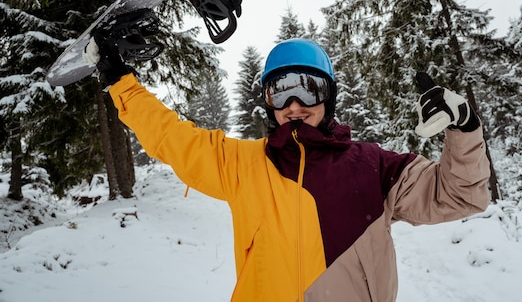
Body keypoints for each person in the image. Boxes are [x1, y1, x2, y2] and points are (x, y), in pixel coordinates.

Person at [85, 36, 490, 302]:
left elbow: (460, 195)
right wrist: (122, 82)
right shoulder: (243, 164)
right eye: (281, 92)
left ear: (328, 96)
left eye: (308, 88)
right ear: (269, 101)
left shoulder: (373, 167)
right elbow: (172, 137)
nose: (295, 104)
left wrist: (465, 126)